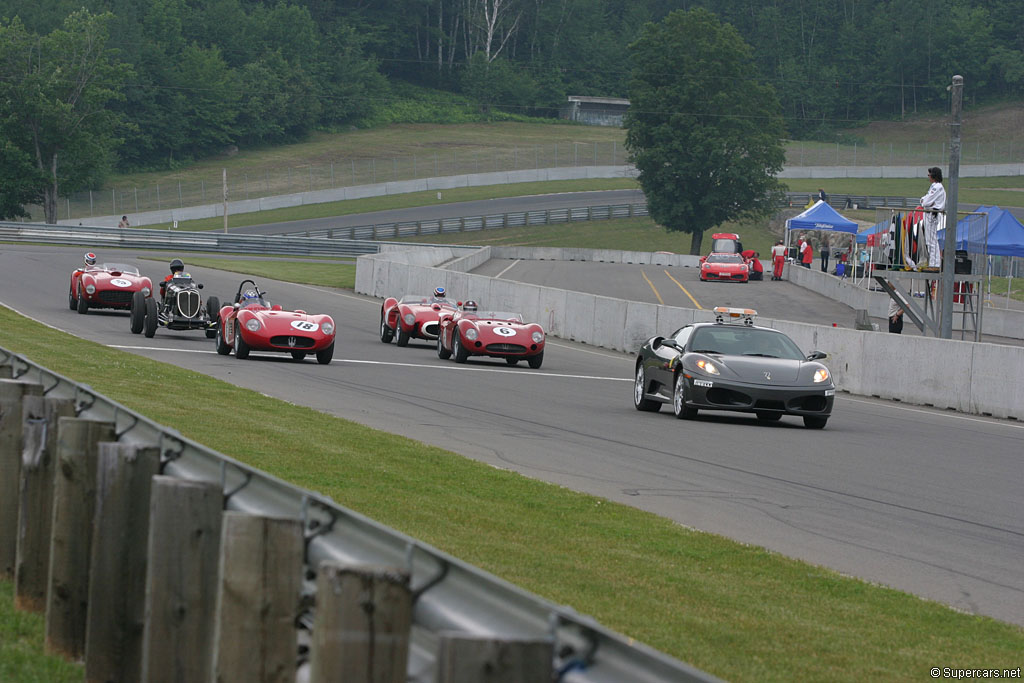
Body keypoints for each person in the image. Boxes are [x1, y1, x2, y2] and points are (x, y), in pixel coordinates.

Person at [920, 167, 945, 269]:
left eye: (929, 175)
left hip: (932, 214)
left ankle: (935, 264)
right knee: (929, 240)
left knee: (931, 240)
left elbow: (925, 202)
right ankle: (933, 263)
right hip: (929, 213)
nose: (928, 177)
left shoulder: (937, 187)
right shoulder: (934, 186)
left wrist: (925, 201)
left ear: (934, 176)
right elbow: (923, 200)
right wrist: (924, 201)